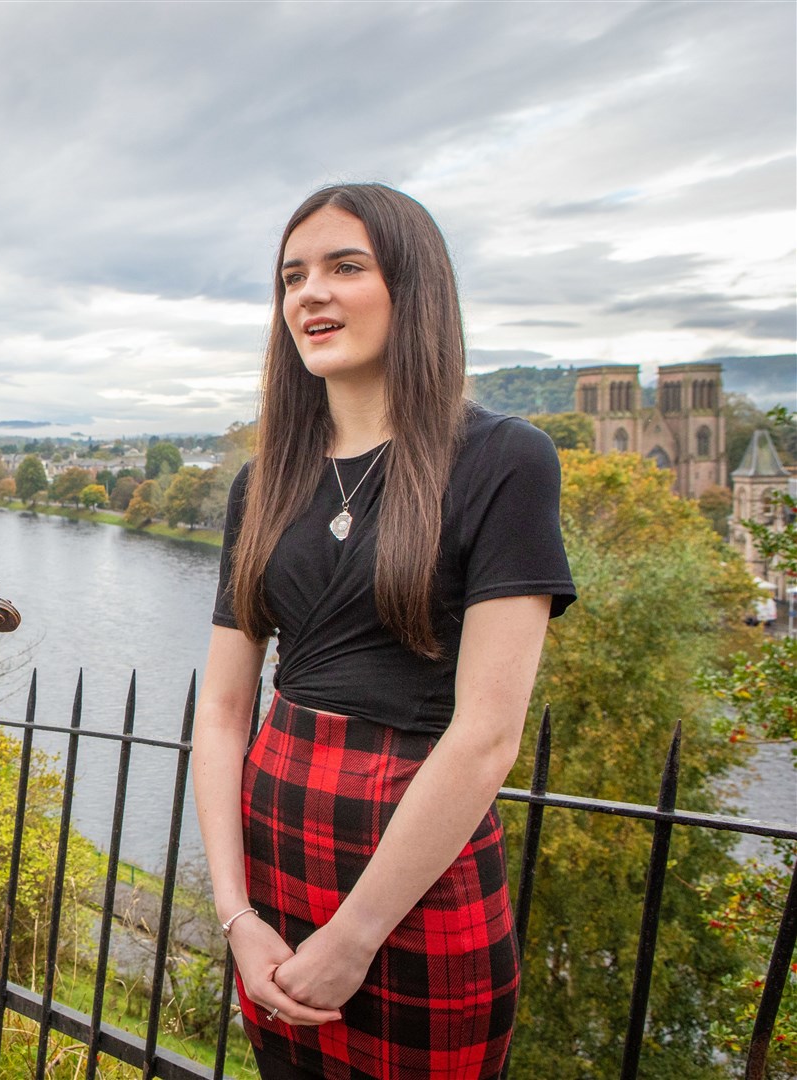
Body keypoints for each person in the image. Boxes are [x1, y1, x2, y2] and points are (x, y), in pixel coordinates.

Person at [191, 184, 576, 1080]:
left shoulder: (504, 461)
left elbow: (486, 736)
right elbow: (220, 711)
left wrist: (356, 936)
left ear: (415, 287)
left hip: (413, 886)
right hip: (273, 868)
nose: (309, 294)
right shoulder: (264, 483)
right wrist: (236, 917)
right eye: (292, 277)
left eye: (345, 267)